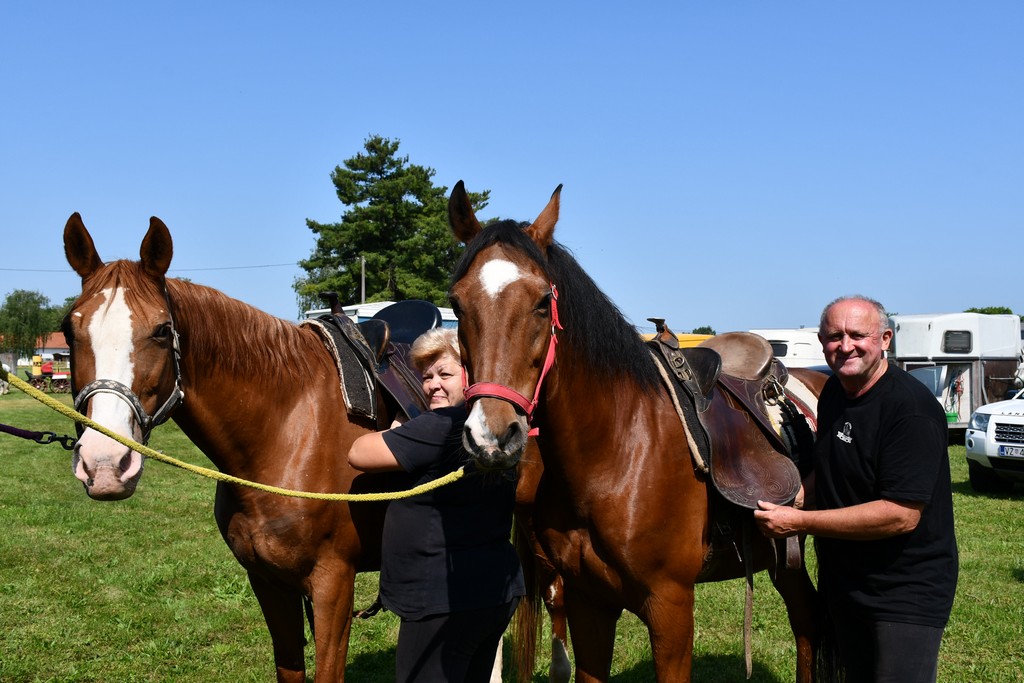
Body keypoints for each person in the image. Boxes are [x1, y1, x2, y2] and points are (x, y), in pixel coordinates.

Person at [754, 295, 958, 683]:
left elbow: (900, 515)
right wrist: (801, 494)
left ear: (884, 339)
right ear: (820, 341)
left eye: (856, 335)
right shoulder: (834, 394)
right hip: (845, 582)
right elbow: (832, 464)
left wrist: (799, 520)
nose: (845, 345)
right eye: (834, 336)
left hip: (902, 592)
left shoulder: (910, 410)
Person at [348, 327, 524, 683]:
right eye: (426, 377)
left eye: (445, 374)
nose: (432, 385)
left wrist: (397, 429)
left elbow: (358, 453)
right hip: (494, 591)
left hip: (440, 600)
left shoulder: (440, 424)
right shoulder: (503, 426)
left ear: (471, 375)